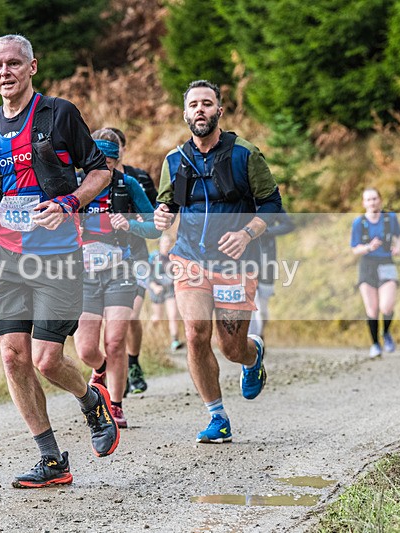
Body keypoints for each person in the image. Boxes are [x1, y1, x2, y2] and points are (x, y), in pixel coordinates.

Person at [0, 34, 117, 489]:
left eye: (12, 63)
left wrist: (68, 202)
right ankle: (51, 459)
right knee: (12, 356)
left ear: (32, 67)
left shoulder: (59, 113)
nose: (4, 72)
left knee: (48, 360)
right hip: (7, 259)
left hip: (59, 257)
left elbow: (100, 171)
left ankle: (91, 401)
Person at [153, 79, 282, 444]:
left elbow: (273, 206)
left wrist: (246, 234)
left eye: (207, 104)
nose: (200, 110)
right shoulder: (174, 160)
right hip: (190, 258)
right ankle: (217, 417)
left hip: (235, 264)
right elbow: (166, 206)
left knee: (231, 348)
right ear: (185, 113)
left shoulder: (245, 154)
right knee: (195, 334)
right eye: (193, 104)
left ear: (219, 111)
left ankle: (252, 355)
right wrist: (162, 216)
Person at [74, 128, 159, 428]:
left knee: (115, 340)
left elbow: (155, 227)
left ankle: (116, 404)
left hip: (121, 271)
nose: (104, 169)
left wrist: (131, 224)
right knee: (85, 349)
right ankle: (102, 370)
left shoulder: (129, 184)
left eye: (110, 162)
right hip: (83, 274)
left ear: (117, 160)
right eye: (99, 162)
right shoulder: (73, 185)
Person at [105, 127, 158, 395]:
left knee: (130, 315)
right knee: (111, 320)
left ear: (122, 150)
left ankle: (132, 363)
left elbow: (159, 216)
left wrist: (135, 223)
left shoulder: (137, 179)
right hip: (101, 262)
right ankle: (115, 368)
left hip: (136, 254)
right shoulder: (88, 181)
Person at [350, 188, 400, 358]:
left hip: (386, 262)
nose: (372, 202)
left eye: (375, 198)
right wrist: (367, 247)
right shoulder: (359, 223)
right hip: (367, 265)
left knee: (387, 306)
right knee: (372, 310)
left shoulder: (390, 218)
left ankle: (386, 333)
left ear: (380, 200)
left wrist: (398, 248)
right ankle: (375, 344)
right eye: (368, 199)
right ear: (363, 203)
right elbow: (354, 249)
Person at [247, 212, 295, 339]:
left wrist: (266, 231)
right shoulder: (239, 200)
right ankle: (253, 338)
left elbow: (289, 225)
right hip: (245, 259)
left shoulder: (269, 202)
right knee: (249, 300)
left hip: (267, 259)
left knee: (262, 306)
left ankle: (260, 335)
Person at [147, 234, 184, 352]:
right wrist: (154, 286)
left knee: (173, 315)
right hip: (156, 289)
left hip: (170, 290)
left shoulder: (173, 256)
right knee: (157, 317)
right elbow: (148, 275)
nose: (166, 244)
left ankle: (175, 341)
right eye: (164, 242)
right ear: (160, 243)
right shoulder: (154, 257)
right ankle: (150, 338)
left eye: (168, 242)